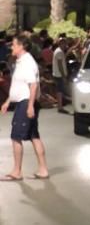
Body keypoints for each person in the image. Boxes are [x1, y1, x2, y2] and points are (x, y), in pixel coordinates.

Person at [1, 34, 50, 181]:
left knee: (16, 136)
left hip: (26, 102)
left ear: (22, 46)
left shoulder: (28, 62)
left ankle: (17, 171)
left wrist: (29, 106)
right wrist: (8, 102)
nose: (12, 47)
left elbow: (33, 85)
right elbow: (18, 86)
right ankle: (43, 169)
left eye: (14, 45)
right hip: (23, 101)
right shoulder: (21, 61)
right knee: (34, 135)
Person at [52, 39, 68, 113]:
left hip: (57, 73)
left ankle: (60, 105)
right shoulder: (59, 52)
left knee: (59, 90)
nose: (65, 45)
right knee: (60, 91)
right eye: (64, 43)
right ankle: (60, 106)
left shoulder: (58, 51)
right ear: (61, 44)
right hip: (59, 74)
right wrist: (63, 75)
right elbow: (60, 65)